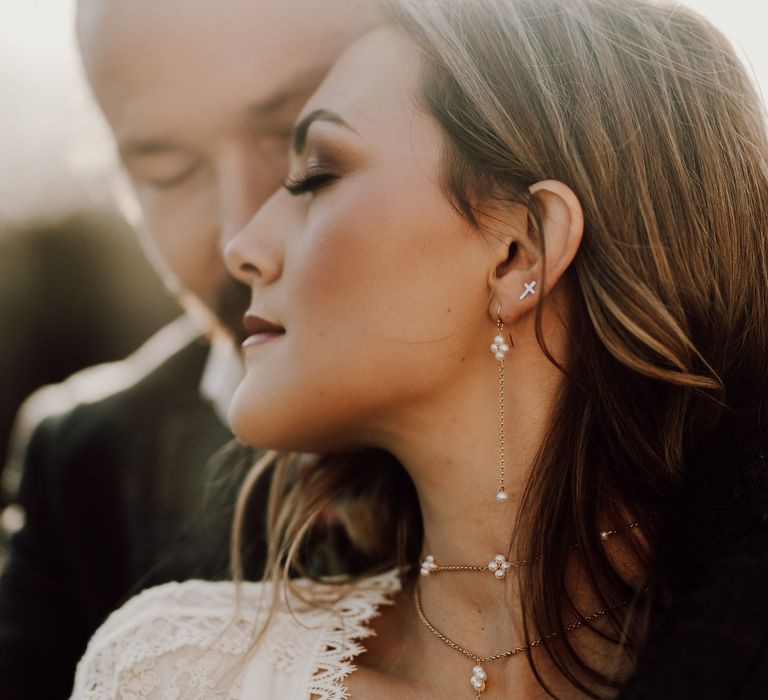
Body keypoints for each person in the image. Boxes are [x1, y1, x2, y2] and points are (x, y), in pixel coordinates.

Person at [68, 0, 768, 698]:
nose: (241, 244)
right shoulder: (181, 671)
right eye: (165, 171)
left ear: (520, 250)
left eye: (314, 173)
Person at [0, 1, 379, 698]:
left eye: (298, 132)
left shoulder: (633, 413)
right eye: (168, 171)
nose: (238, 228)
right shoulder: (87, 463)